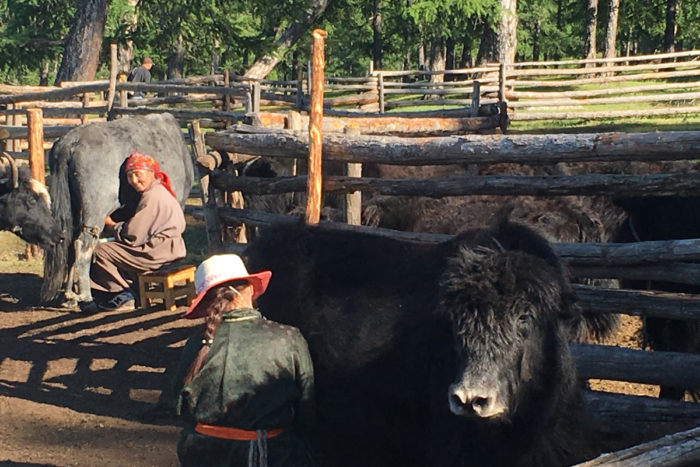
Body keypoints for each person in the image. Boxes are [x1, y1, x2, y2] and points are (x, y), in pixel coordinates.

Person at [174, 254, 315, 467]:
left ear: (206, 302)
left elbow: (178, 407)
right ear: (250, 290)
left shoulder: (196, 344)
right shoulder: (288, 338)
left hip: (200, 455)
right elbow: (307, 408)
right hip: (270, 455)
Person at [90, 151, 186, 312]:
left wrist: (111, 224)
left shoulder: (151, 197)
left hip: (158, 252)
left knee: (100, 250)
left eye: (137, 174)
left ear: (151, 173)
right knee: (116, 250)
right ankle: (133, 289)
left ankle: (121, 295)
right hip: (172, 248)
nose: (134, 181)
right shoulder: (162, 191)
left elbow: (133, 236)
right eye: (130, 176)